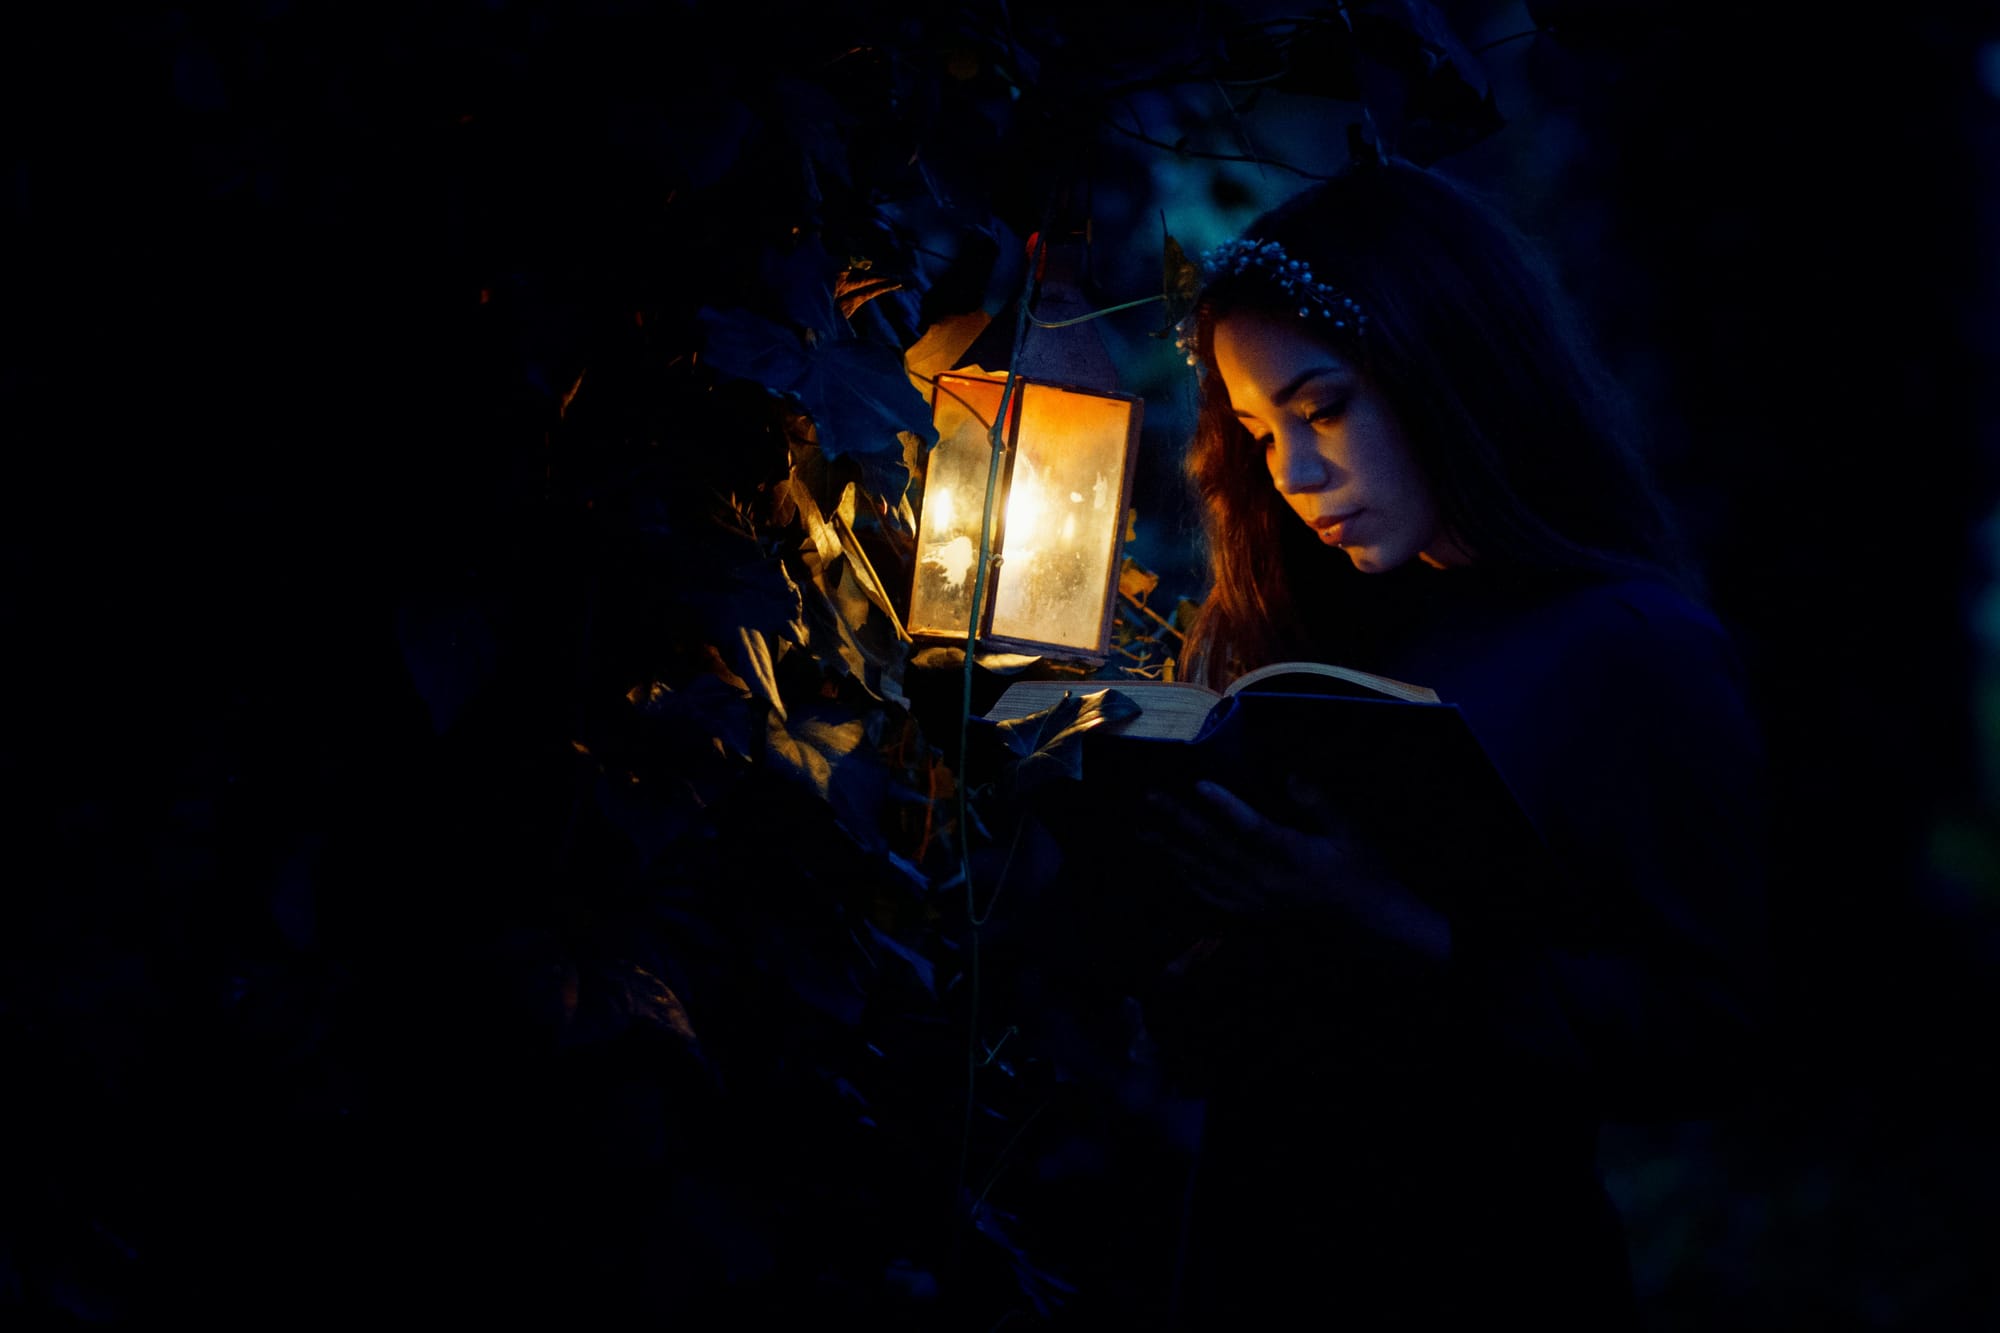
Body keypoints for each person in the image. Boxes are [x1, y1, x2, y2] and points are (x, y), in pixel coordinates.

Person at [1137, 157, 1769, 1328]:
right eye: (1256, 432)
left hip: (1474, 1266)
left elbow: (1712, 1029)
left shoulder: (1626, 646)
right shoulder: (1316, 631)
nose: (1296, 476)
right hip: (1254, 1244)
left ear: (1449, 371)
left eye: (1321, 409)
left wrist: (1400, 929)